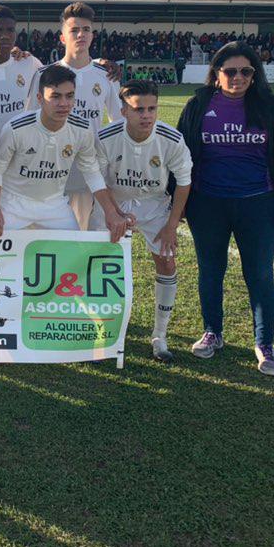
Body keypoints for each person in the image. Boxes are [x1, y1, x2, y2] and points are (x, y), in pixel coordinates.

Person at [177, 42, 274, 376]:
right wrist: (179, 201)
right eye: (230, 71)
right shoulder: (198, 105)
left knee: (260, 274)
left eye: (246, 71)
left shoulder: (273, 107)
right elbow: (180, 154)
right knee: (210, 270)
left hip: (258, 204)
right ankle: (212, 332)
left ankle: (265, 343)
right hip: (207, 203)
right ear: (216, 73)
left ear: (255, 74)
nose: (238, 77)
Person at [96, 80, 192, 362]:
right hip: (112, 201)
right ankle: (101, 328)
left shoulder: (171, 138)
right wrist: (113, 212)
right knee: (99, 262)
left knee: (167, 261)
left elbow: (184, 181)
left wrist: (171, 225)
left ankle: (160, 335)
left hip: (154, 203)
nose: (147, 115)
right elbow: (97, 179)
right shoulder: (105, 136)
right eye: (139, 109)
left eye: (152, 109)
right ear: (124, 111)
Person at [0, 64, 129, 240]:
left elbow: (92, 172)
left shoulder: (82, 128)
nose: (64, 103)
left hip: (54, 204)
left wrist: (110, 211)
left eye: (69, 96)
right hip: (13, 204)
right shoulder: (16, 128)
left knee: (73, 247)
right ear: (40, 98)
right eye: (55, 96)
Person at [26, 3, 123, 230]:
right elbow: (30, 121)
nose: (81, 35)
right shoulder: (43, 74)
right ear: (62, 38)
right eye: (74, 30)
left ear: (92, 36)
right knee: (46, 235)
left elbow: (118, 123)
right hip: (49, 169)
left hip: (87, 169)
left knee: (82, 233)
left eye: (86, 29)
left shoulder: (106, 75)